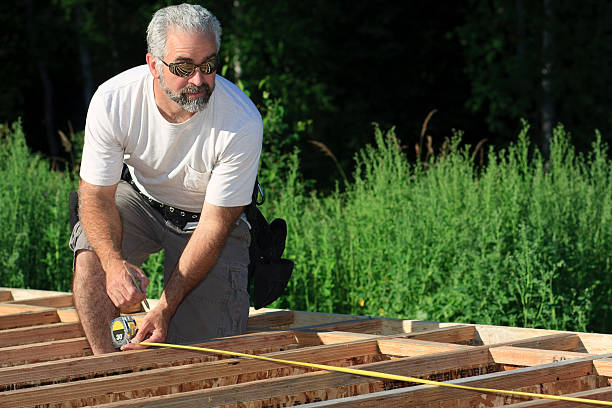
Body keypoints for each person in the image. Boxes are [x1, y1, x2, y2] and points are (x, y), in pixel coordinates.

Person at [70, 3, 262, 354]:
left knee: (204, 351)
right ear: (153, 64)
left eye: (208, 65)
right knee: (93, 259)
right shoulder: (114, 100)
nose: (199, 80)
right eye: (184, 66)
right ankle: (108, 372)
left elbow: (214, 226)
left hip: (203, 220)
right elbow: (95, 195)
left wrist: (165, 306)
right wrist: (114, 266)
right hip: (142, 202)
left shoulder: (241, 122)